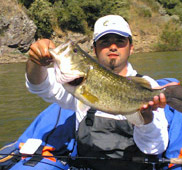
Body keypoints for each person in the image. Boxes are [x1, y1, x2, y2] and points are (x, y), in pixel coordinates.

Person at [25, 15, 171, 169]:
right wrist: (35, 61)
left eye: (120, 41)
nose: (113, 46)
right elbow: (38, 85)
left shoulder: (147, 86)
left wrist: (146, 120)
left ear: (131, 47)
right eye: (105, 42)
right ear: (94, 49)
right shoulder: (74, 81)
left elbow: (155, 148)